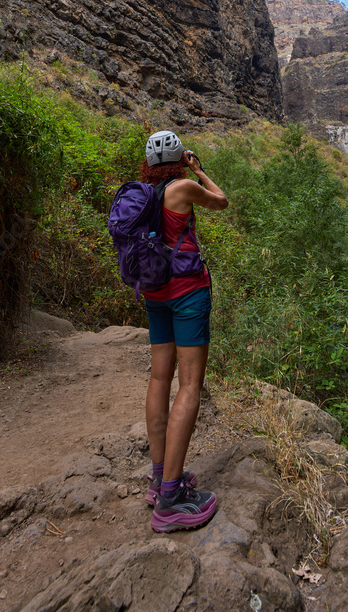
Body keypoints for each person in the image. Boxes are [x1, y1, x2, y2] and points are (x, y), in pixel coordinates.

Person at [140, 130, 228, 533]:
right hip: (187, 293)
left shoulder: (143, 192)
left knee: (159, 378)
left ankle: (160, 478)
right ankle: (172, 499)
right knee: (189, 385)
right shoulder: (184, 186)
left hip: (154, 293)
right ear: (179, 158)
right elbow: (222, 202)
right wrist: (199, 169)